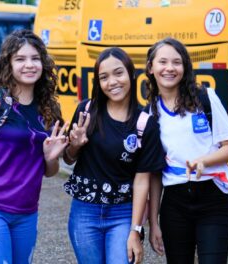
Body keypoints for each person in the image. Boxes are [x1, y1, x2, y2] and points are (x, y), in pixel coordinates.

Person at [0, 29, 68, 263]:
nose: (29, 65)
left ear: (44, 63)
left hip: (27, 213)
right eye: (20, 59)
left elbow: (49, 171)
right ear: (8, 63)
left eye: (35, 58)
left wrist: (50, 157)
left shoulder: (48, 109)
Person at [62, 47, 166, 264]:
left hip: (123, 214)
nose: (112, 82)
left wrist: (135, 230)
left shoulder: (145, 123)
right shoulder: (86, 111)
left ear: (131, 74)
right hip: (84, 212)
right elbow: (68, 159)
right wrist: (74, 145)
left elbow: (142, 181)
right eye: (104, 77)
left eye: (118, 73)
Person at [145, 37, 228, 263]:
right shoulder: (149, 114)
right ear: (151, 68)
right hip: (174, 204)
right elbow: (154, 173)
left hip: (214, 198)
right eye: (163, 62)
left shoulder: (205, 98)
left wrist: (204, 161)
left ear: (184, 67)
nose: (170, 68)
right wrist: (153, 223)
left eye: (177, 62)